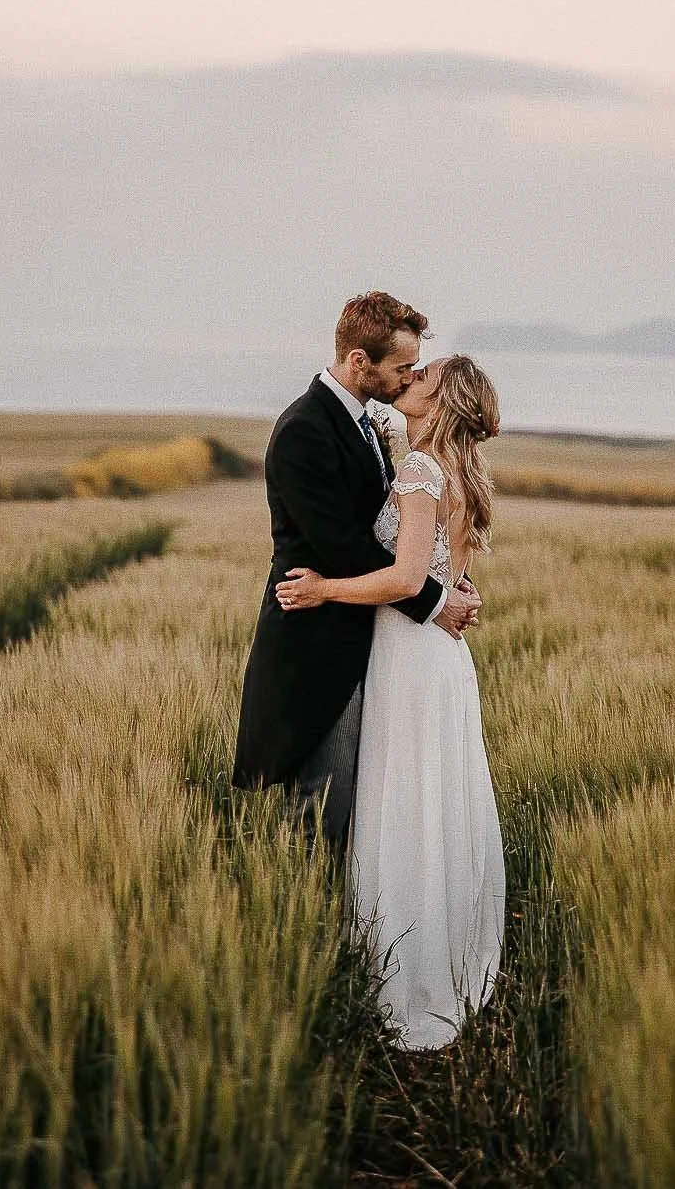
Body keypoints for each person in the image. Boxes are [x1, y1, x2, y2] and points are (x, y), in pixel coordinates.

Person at [273, 354, 507, 1051]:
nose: (406, 379)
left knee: (404, 804)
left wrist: (323, 590)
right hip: (441, 662)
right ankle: (449, 960)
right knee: (434, 805)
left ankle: (408, 974)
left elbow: (407, 577)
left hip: (409, 659)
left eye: (420, 378)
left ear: (441, 404)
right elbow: (444, 576)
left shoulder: (419, 469)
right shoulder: (457, 470)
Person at [233, 292, 481, 854]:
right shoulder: (305, 430)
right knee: (324, 803)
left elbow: (397, 534)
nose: (409, 377)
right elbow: (344, 548)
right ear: (359, 363)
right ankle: (306, 926)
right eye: (401, 368)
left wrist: (444, 575)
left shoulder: (368, 423)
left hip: (370, 638)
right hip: (318, 642)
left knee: (362, 801)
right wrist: (435, 601)